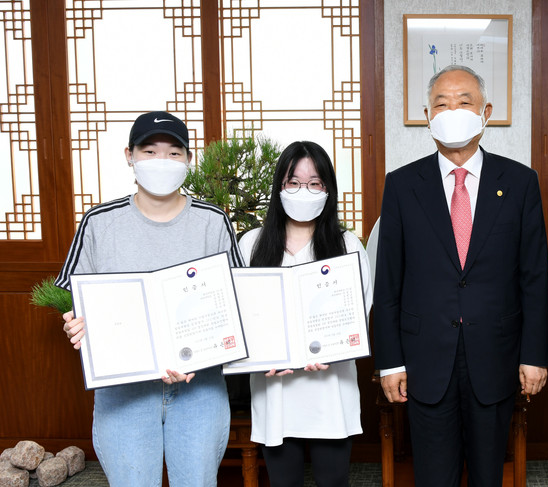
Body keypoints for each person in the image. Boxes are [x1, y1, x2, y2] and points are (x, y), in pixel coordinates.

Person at [373, 64, 548, 487]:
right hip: (424, 359)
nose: (453, 110)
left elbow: (532, 278)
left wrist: (535, 354)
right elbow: (388, 282)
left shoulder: (521, 182)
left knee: (489, 474)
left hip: (495, 355)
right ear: (427, 114)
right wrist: (390, 362)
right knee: (434, 476)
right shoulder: (401, 184)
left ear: (486, 111)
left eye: (464, 101)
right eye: (441, 103)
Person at [56, 111, 243, 486]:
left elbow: (237, 302)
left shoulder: (213, 221)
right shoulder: (99, 222)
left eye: (175, 153)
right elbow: (72, 295)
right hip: (123, 393)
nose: (163, 161)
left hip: (199, 389)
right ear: (130, 156)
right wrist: (74, 319)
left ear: (189, 160)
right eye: (150, 150)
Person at [238, 140, 371, 487]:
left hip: (331, 392)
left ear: (327, 190)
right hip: (275, 394)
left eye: (314, 183)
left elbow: (363, 311)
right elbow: (240, 316)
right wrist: (257, 355)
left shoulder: (347, 245)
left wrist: (335, 348)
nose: (304, 191)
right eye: (293, 182)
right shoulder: (251, 243)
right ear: (279, 187)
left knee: (334, 481)